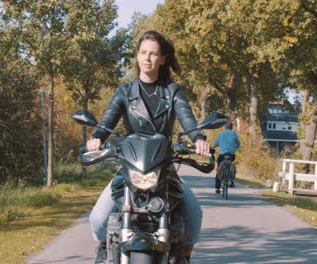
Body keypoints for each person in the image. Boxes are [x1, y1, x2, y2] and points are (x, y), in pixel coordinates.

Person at [86, 30, 210, 264]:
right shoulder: (125, 91)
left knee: (194, 215)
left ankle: (184, 256)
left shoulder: (172, 91)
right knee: (98, 218)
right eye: (143, 52)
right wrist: (97, 138)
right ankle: (105, 249)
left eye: (153, 54)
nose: (147, 58)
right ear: (137, 56)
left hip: (162, 168)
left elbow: (187, 118)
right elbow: (107, 121)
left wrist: (198, 139)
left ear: (162, 59)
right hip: (131, 167)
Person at [212, 121, 241, 193]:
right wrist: (235, 146)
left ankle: (217, 188)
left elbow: (214, 144)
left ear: (224, 127)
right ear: (232, 127)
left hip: (222, 155)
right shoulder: (234, 134)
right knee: (231, 165)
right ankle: (231, 181)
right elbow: (238, 144)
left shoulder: (221, 134)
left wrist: (215, 146)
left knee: (219, 169)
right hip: (231, 155)